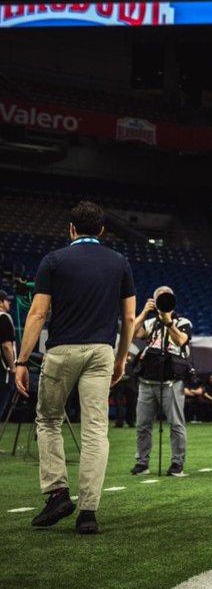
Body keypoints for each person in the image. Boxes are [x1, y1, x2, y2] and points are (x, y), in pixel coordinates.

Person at [14, 201, 135, 534]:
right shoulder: (119, 262)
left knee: (48, 419)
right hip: (101, 352)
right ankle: (88, 513)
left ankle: (57, 492)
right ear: (101, 231)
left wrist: (21, 361)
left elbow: (37, 314)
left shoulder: (53, 260)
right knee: (95, 430)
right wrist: (122, 357)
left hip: (62, 351)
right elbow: (128, 318)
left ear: (71, 229)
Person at [130, 286, 192, 478]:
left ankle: (177, 463)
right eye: (159, 299)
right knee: (142, 424)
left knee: (176, 424)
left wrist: (169, 322)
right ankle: (142, 463)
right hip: (148, 380)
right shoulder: (150, 323)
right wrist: (143, 312)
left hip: (171, 382)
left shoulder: (182, 322)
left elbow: (182, 341)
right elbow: (132, 333)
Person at [0, 288, 17, 421]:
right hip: (3, 369)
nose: (9, 304)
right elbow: (6, 346)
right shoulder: (4, 318)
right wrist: (12, 367)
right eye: (7, 301)